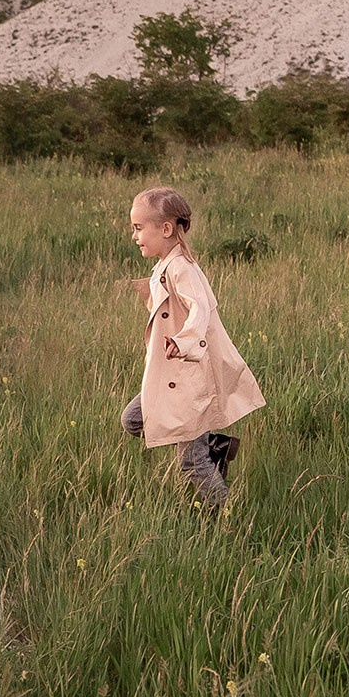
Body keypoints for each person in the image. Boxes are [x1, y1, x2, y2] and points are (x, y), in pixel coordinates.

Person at [122, 186, 265, 511]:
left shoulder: (182, 268)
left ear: (166, 229)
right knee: (133, 420)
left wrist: (184, 342)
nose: (134, 236)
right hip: (174, 376)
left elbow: (199, 309)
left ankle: (229, 517)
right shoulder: (165, 265)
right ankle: (216, 447)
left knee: (191, 463)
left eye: (139, 228)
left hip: (188, 379)